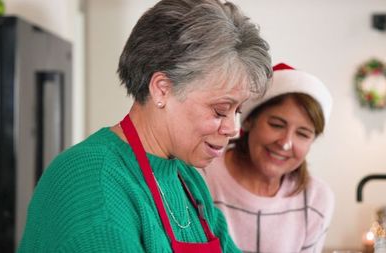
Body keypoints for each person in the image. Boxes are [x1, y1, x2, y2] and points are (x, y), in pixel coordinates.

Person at [18, 0, 272, 252]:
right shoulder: (90, 179)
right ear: (162, 89)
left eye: (237, 111)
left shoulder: (187, 180)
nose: (233, 129)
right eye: (220, 110)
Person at [202, 62, 335, 253]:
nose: (286, 143)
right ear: (248, 121)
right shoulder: (200, 176)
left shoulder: (316, 198)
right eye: (276, 125)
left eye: (303, 134)